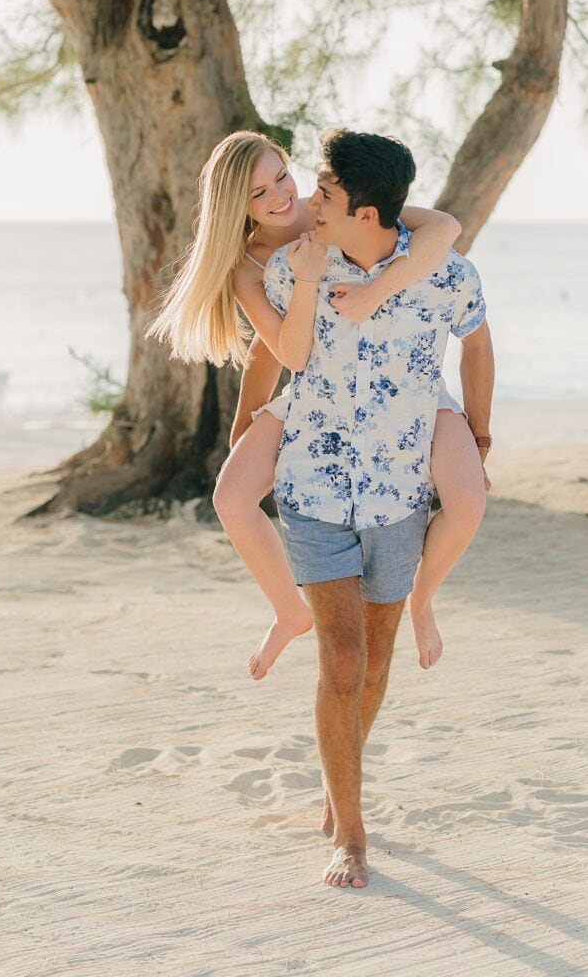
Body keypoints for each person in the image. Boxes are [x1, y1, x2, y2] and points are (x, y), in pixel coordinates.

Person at [148, 131, 487, 680]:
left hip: (399, 389)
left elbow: (444, 228)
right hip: (316, 394)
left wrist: (380, 289)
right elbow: (277, 353)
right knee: (233, 498)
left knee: (465, 502)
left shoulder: (329, 211)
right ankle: (288, 611)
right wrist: (246, 423)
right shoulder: (248, 267)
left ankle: (423, 600)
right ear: (237, 206)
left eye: (281, 175)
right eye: (259, 193)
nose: (281, 196)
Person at [262, 127, 493, 888]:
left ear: (365, 210)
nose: (307, 203)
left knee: (378, 658)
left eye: (323, 195)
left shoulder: (445, 274)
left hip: (398, 494)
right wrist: (244, 447)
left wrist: (478, 430)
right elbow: (272, 359)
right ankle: (350, 836)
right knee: (344, 655)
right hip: (315, 491)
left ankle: (339, 785)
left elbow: (477, 346)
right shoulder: (296, 268)